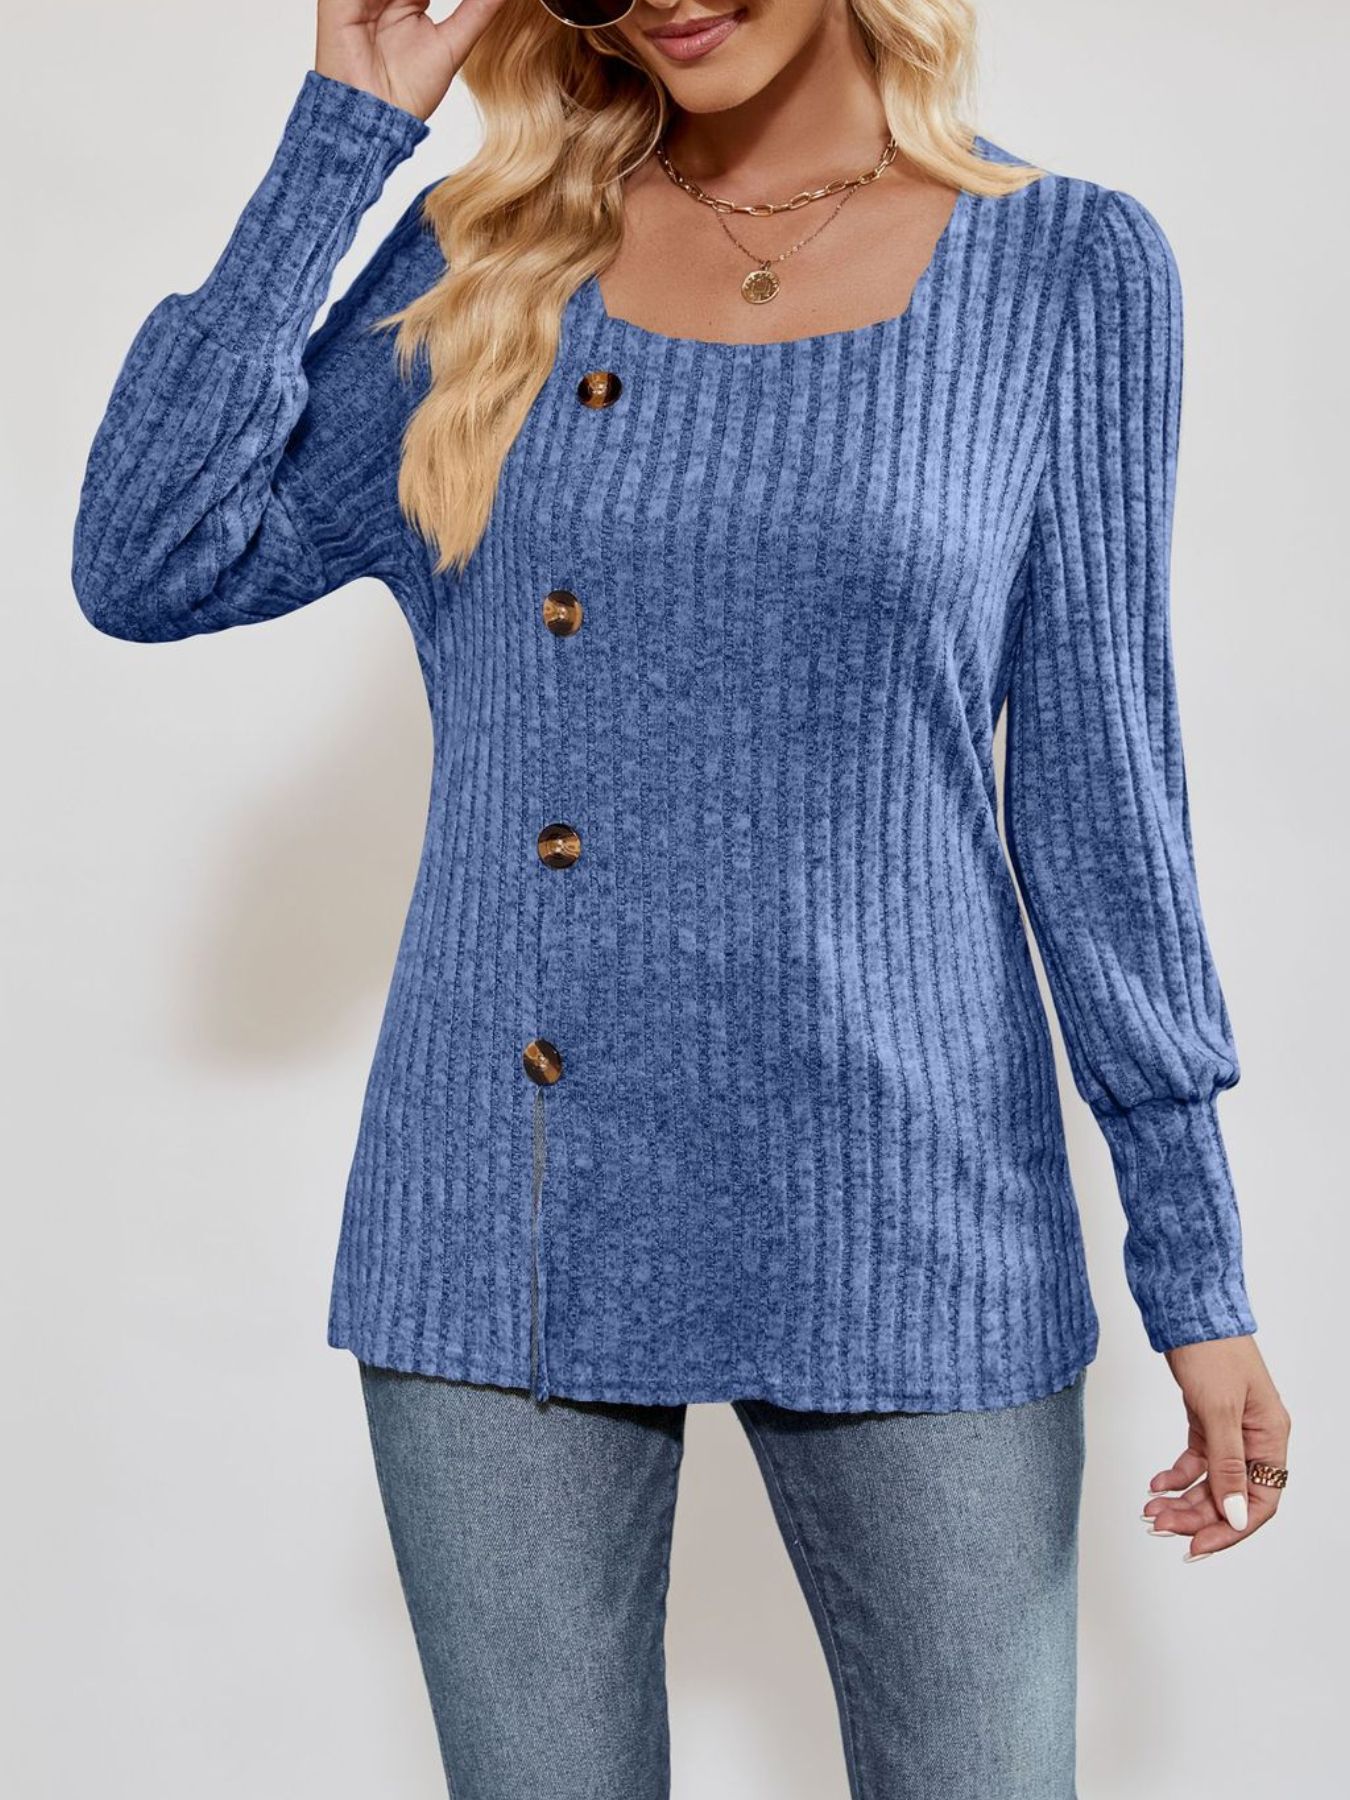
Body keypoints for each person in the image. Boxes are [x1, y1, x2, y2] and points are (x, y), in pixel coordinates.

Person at [71, 0, 1292, 1794]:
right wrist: (343, 133)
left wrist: (1193, 1263)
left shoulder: (1065, 267)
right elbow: (148, 560)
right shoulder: (485, 254)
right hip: (507, 1209)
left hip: (908, 1197)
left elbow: (1101, 788)